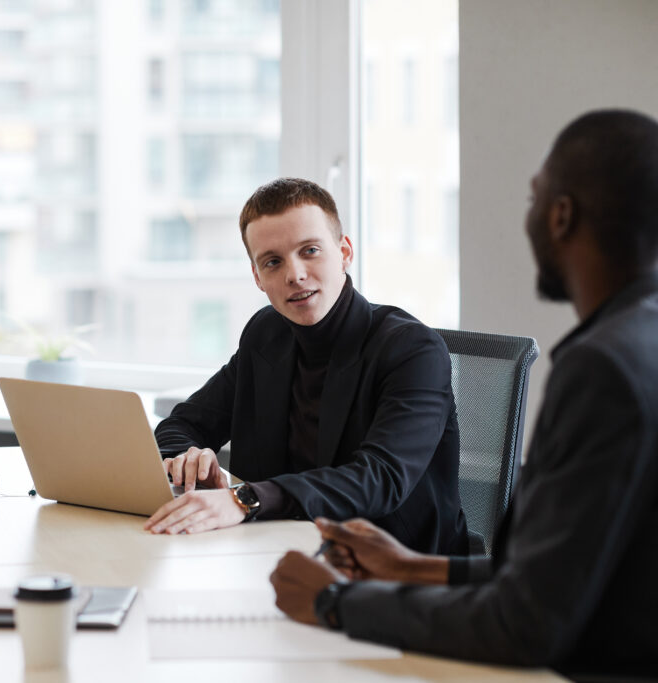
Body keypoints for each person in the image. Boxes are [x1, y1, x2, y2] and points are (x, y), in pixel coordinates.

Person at [269, 109, 658, 679]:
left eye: (533, 200)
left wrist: (334, 603)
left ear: (562, 215)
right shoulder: (641, 337)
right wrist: (415, 568)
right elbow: (568, 573)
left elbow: (525, 623)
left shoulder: (604, 368)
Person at [144, 177, 471, 557]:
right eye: (273, 261)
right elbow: (181, 425)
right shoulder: (266, 335)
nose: (294, 274)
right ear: (257, 277)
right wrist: (190, 461)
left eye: (310, 250)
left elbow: (380, 478)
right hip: (271, 554)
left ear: (345, 252)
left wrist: (246, 500)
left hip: (395, 573)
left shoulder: (413, 350)